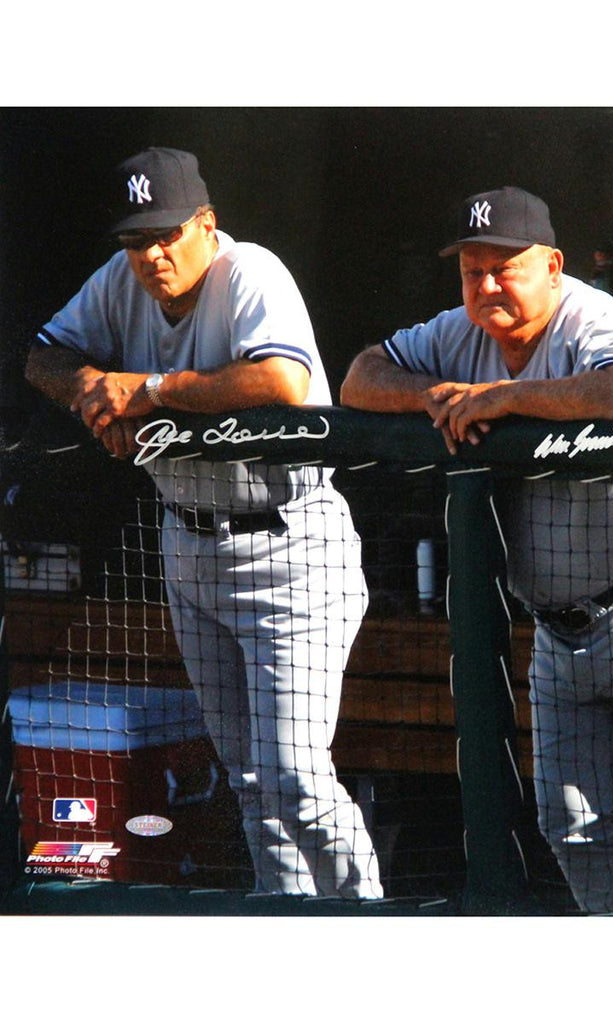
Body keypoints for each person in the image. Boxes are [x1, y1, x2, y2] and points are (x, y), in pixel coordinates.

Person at [341, 186, 613, 915]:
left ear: (553, 266)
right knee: (572, 823)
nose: (487, 284)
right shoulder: (458, 333)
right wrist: (433, 392)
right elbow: (359, 378)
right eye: (472, 270)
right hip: (560, 629)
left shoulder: (589, 315)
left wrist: (502, 398)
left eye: (505, 267)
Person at [24, 147, 381, 899]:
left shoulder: (249, 271)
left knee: (296, 779)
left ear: (205, 224)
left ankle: (367, 922)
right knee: (250, 783)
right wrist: (97, 393)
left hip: (289, 545)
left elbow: (282, 380)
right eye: (135, 241)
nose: (151, 255)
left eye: (166, 236)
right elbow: (43, 358)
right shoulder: (120, 281)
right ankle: (288, 923)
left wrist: (147, 392)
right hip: (189, 543)